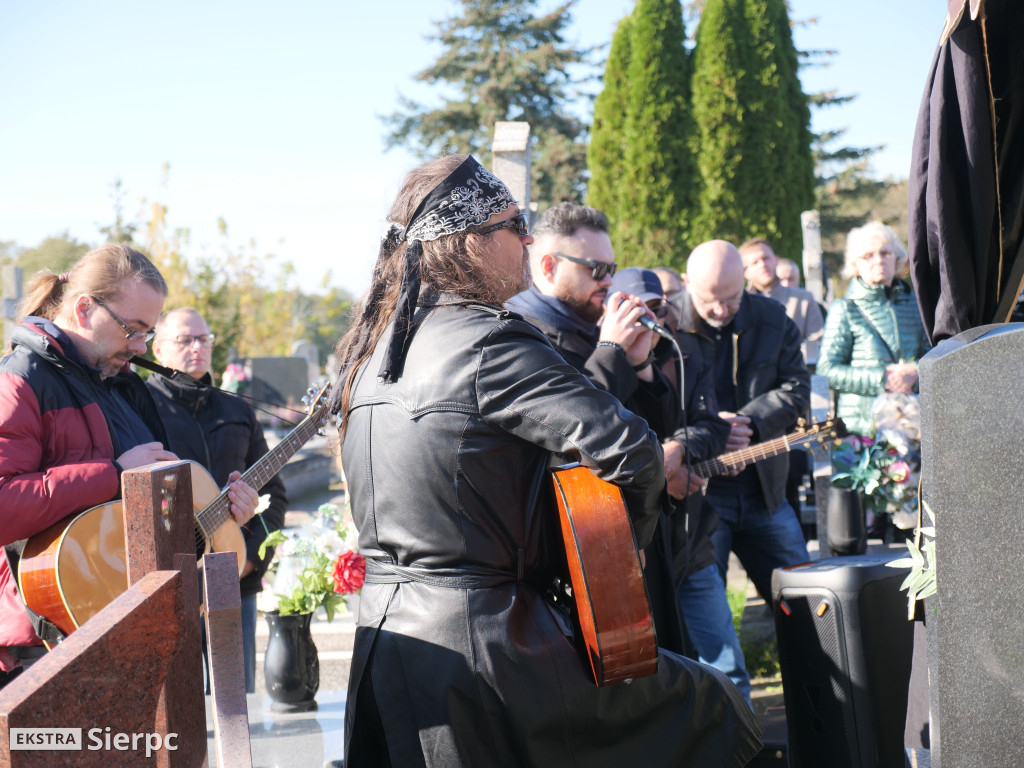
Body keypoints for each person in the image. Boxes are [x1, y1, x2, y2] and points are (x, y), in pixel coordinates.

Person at [331, 154, 761, 767]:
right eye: (514, 224)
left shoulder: (370, 352)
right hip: (490, 646)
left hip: (386, 643)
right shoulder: (488, 340)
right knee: (715, 709)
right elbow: (632, 452)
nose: (528, 238)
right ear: (470, 244)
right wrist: (608, 567)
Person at [0, 245, 259, 690]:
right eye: (132, 329)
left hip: (126, 623)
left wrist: (222, 514)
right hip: (45, 644)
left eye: (148, 332)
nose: (140, 347)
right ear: (84, 309)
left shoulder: (119, 384)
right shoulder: (19, 380)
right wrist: (113, 474)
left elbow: (150, 504)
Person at [508, 210, 700, 655]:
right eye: (595, 269)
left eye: (611, 269)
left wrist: (641, 364)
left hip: (633, 532)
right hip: (586, 548)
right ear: (549, 266)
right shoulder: (526, 337)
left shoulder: (593, 329)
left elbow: (661, 423)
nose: (608, 281)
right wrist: (611, 351)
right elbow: (574, 429)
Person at [147, 307, 288, 694]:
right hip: (170, 587)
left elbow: (275, 494)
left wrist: (251, 556)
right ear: (158, 349)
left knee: (235, 704)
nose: (198, 347)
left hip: (235, 581)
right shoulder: (141, 407)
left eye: (204, 339)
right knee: (179, 707)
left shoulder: (237, 409)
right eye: (185, 340)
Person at [674, 240, 810, 606]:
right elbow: (652, 403)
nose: (721, 310)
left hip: (765, 491)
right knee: (707, 614)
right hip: (699, 494)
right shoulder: (666, 325)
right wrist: (710, 431)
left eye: (732, 299)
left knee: (809, 609)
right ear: (687, 283)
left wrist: (747, 425)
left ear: (745, 279)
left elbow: (797, 390)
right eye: (709, 301)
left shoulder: (773, 317)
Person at [816, 222, 930, 537]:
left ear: (898, 258)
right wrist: (882, 378)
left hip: (912, 427)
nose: (878, 260)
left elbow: (934, 355)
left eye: (885, 252)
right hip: (862, 430)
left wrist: (915, 372)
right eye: (868, 255)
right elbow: (827, 369)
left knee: (915, 525)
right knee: (870, 533)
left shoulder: (916, 305)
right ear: (854, 265)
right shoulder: (844, 309)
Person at [739, 239, 824, 369]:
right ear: (745, 272)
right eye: (755, 262)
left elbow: (816, 342)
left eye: (765, 258)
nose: (762, 264)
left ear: (776, 260)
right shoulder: (739, 305)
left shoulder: (804, 299)